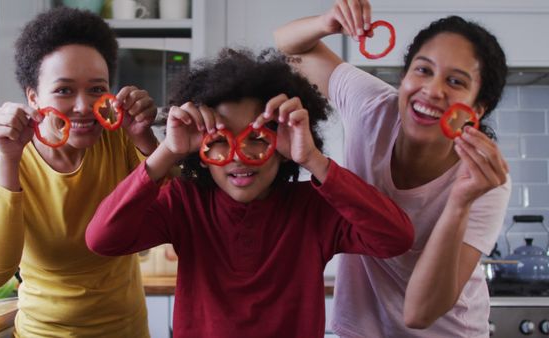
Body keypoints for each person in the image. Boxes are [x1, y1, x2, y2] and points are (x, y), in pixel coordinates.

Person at [85, 48, 415, 338]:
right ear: (201, 149)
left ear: (283, 145)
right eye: (220, 139)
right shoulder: (185, 202)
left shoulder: (314, 208)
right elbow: (102, 238)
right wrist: (168, 151)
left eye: (257, 138)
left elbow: (395, 238)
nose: (240, 156)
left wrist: (313, 159)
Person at [275, 1, 511, 337]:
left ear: (477, 109)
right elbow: (290, 46)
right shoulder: (372, 106)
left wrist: (460, 202)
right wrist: (326, 22)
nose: (432, 90)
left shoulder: (486, 182)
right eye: (423, 70)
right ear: (404, 77)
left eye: (456, 82)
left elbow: (419, 313)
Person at [0, 7, 158, 337]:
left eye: (97, 89)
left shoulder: (122, 140)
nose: (84, 106)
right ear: (33, 96)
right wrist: (9, 160)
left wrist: (146, 139)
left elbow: (180, 217)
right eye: (64, 90)